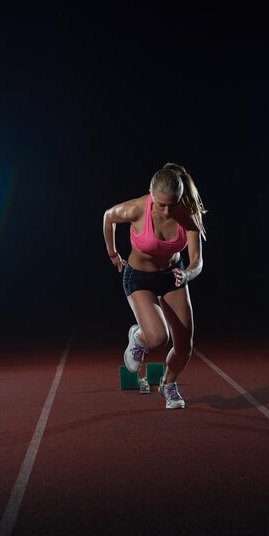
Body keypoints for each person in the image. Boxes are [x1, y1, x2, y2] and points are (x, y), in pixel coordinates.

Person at [103, 162, 207, 409]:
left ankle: (168, 385)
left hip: (172, 277)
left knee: (184, 347)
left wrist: (187, 274)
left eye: (173, 203)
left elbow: (197, 261)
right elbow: (108, 217)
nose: (167, 210)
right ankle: (138, 337)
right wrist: (113, 254)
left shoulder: (187, 213)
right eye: (161, 204)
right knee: (159, 338)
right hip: (139, 278)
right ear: (151, 195)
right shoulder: (136, 209)